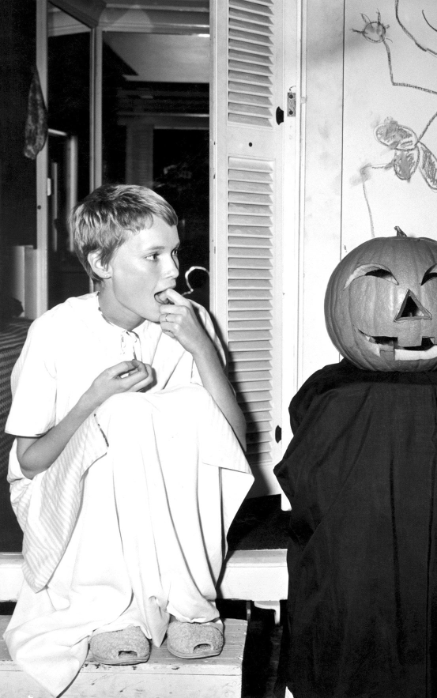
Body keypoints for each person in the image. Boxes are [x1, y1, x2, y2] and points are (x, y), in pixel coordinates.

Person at [3, 184, 253, 696]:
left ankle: (187, 602)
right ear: (101, 262)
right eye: (153, 256)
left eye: (175, 253)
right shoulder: (55, 331)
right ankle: (107, 606)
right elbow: (29, 462)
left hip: (166, 500)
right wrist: (92, 400)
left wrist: (201, 348)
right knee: (123, 411)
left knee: (181, 405)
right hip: (64, 495)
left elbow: (231, 442)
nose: (173, 272)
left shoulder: (192, 321)